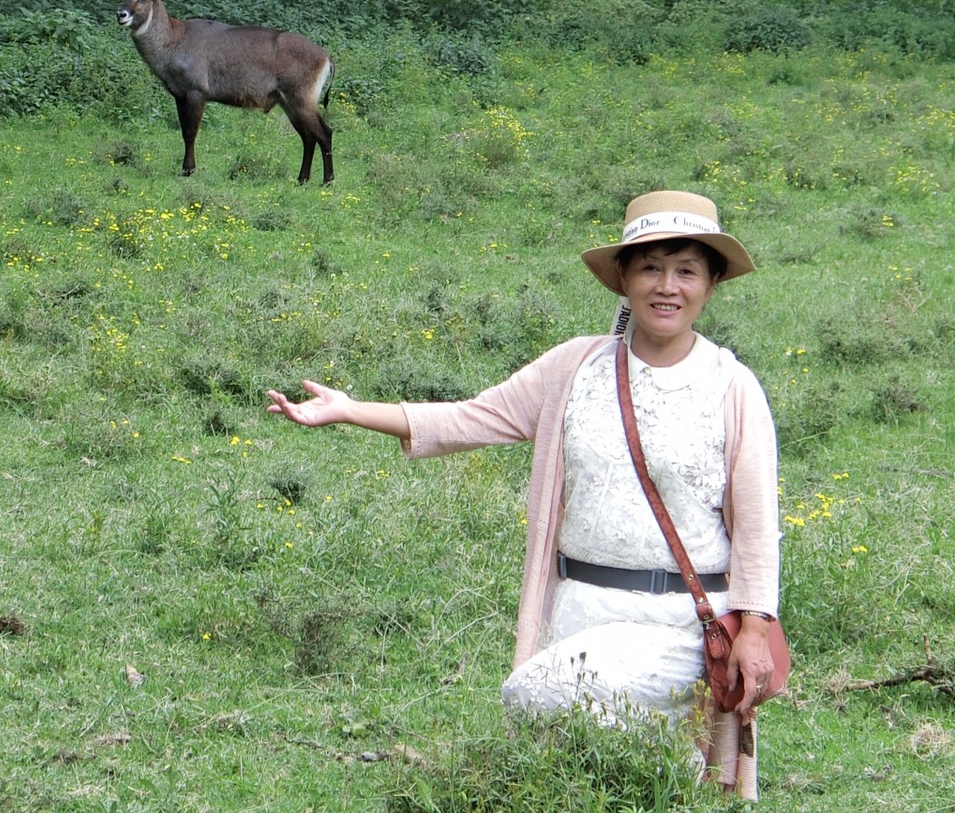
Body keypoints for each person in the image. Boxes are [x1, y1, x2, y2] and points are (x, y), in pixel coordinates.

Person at [266, 190, 780, 798]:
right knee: (581, 784)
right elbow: (474, 417)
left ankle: (678, 774)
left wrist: (753, 628)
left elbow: (755, 524)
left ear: (711, 284)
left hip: (682, 625)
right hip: (578, 610)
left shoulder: (731, 386)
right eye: (650, 267)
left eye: (687, 270)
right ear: (623, 278)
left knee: (540, 699)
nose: (667, 286)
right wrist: (350, 410)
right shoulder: (575, 368)